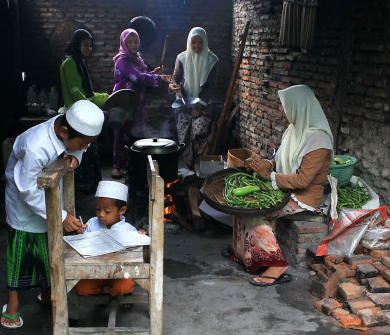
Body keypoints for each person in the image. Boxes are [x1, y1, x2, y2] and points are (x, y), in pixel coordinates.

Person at [0, 100, 105, 329]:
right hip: (25, 204)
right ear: (64, 131)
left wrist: (76, 155)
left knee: (50, 250)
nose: (86, 146)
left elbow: (76, 147)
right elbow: (28, 189)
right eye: (83, 143)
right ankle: (12, 305)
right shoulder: (35, 147)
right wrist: (62, 216)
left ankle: (48, 293)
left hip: (50, 199)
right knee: (22, 254)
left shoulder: (66, 130)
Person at [227, 85, 334, 287]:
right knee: (241, 204)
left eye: (284, 107)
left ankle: (277, 265)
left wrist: (268, 175)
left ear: (298, 107)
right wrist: (264, 164)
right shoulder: (293, 130)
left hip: (303, 196)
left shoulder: (318, 140)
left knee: (255, 212)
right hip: (286, 188)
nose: (281, 111)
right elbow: (280, 160)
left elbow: (303, 180)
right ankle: (244, 253)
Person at [111, 28, 171, 179]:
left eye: (135, 41)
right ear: (124, 43)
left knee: (135, 134)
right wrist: (159, 79)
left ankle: (133, 164)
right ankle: (117, 166)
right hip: (124, 102)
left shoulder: (136, 58)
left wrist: (153, 74)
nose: (133, 44)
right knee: (120, 135)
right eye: (129, 42)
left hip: (136, 102)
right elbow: (137, 78)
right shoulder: (123, 60)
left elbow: (141, 77)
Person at [75, 181, 146, 300]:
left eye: (107, 211)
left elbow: (136, 252)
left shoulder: (128, 230)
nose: (101, 214)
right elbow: (83, 244)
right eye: (98, 209)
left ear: (122, 211)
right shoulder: (92, 223)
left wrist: (140, 238)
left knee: (124, 287)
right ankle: (100, 298)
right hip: (94, 272)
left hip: (119, 273)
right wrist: (80, 234)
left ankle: (119, 295)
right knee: (82, 288)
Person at [60, 29, 109, 193]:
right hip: (75, 117)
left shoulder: (80, 62)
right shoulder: (69, 63)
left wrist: (106, 98)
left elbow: (88, 94)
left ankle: (90, 190)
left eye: (90, 45)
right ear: (76, 44)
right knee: (79, 151)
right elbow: (77, 95)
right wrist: (96, 110)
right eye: (85, 45)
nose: (88, 48)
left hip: (83, 114)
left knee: (89, 151)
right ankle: (78, 192)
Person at [169, 27, 219, 170]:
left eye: (200, 42)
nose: (196, 46)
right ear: (189, 43)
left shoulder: (212, 60)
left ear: (205, 42)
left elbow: (210, 86)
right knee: (183, 136)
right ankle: (189, 167)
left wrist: (198, 106)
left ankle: (202, 165)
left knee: (198, 132)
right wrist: (173, 86)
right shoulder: (182, 58)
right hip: (183, 103)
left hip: (202, 104)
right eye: (193, 42)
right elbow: (175, 78)